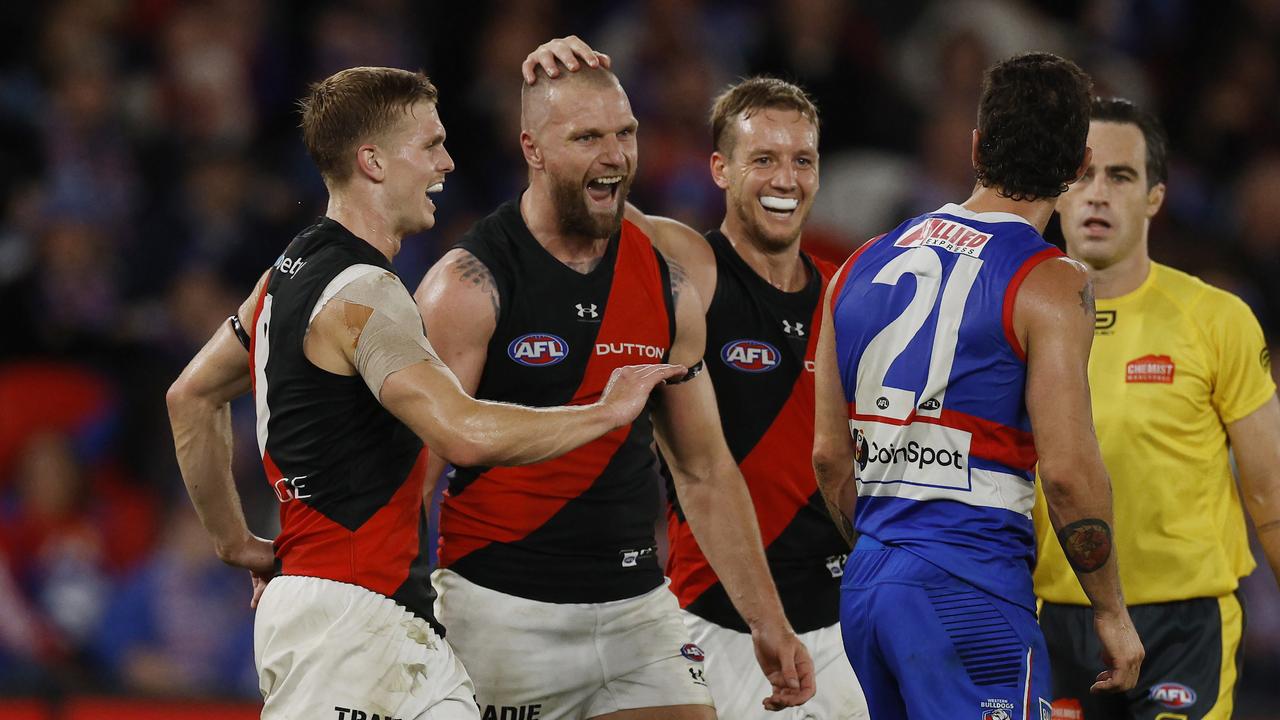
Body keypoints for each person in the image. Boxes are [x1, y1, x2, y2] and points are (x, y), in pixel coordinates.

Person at [166, 65, 684, 720]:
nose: (446, 161)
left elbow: (190, 397)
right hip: (351, 623)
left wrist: (235, 541)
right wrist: (605, 412)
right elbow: (462, 433)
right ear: (374, 161)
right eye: (430, 144)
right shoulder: (364, 294)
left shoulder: (285, 276)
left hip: (372, 621)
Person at [415, 40, 814, 720]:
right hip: (501, 614)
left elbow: (704, 469)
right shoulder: (466, 285)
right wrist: (383, 601)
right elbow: (413, 473)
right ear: (533, 149)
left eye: (625, 134)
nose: (615, 156)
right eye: (587, 137)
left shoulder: (666, 281)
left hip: (639, 612)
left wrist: (767, 619)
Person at [812, 52, 1145, 719]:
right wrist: (1110, 610)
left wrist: (892, 555)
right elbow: (1071, 474)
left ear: (976, 146)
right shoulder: (1055, 284)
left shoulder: (859, 263)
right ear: (1080, 167)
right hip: (971, 584)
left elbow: (827, 455)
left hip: (869, 584)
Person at [1032, 97, 1280, 720]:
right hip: (1052, 621)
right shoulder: (1010, 317)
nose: (1098, 194)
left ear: (1155, 198)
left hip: (1185, 625)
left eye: (1120, 176)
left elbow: (1271, 494)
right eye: (1082, 175)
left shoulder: (1217, 318)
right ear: (1056, 193)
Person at [653, 77, 869, 719]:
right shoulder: (694, 269)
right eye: (764, 159)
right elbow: (596, 208)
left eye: (802, 160)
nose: (786, 179)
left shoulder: (845, 296)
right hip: (718, 624)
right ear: (719, 169)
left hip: (842, 627)